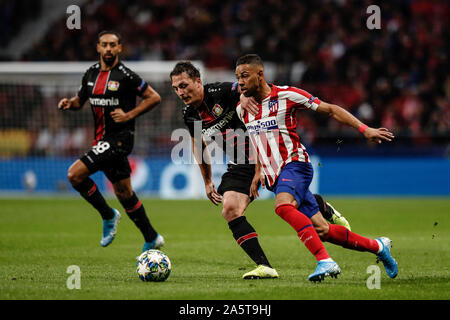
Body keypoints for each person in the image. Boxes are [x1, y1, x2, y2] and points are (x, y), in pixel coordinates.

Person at [170, 61, 351, 280]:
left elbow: (247, 88)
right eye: (176, 88)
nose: (181, 92)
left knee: (313, 222)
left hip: (266, 155)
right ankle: (265, 267)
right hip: (239, 163)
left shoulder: (220, 91)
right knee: (230, 210)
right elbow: (198, 146)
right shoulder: (190, 114)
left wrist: (244, 97)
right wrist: (207, 181)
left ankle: (322, 207)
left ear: (198, 81)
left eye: (184, 85)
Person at [235, 54, 398, 281]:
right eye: (237, 78)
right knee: (323, 230)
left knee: (282, 207)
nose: (240, 82)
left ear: (260, 75)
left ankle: (325, 261)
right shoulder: (242, 110)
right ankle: (378, 246)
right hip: (275, 178)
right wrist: (257, 171)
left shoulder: (287, 95)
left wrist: (364, 129)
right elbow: (257, 141)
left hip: (295, 165)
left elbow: (330, 109)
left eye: (244, 76)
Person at [58, 31, 164, 252]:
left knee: (74, 174)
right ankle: (152, 236)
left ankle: (108, 215)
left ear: (119, 48)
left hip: (120, 140)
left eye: (112, 45)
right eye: (104, 45)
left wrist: (129, 115)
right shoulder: (90, 74)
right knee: (124, 192)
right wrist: (70, 103)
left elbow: (154, 97)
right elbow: (80, 101)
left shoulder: (126, 75)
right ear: (98, 47)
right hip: (101, 141)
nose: (108, 49)